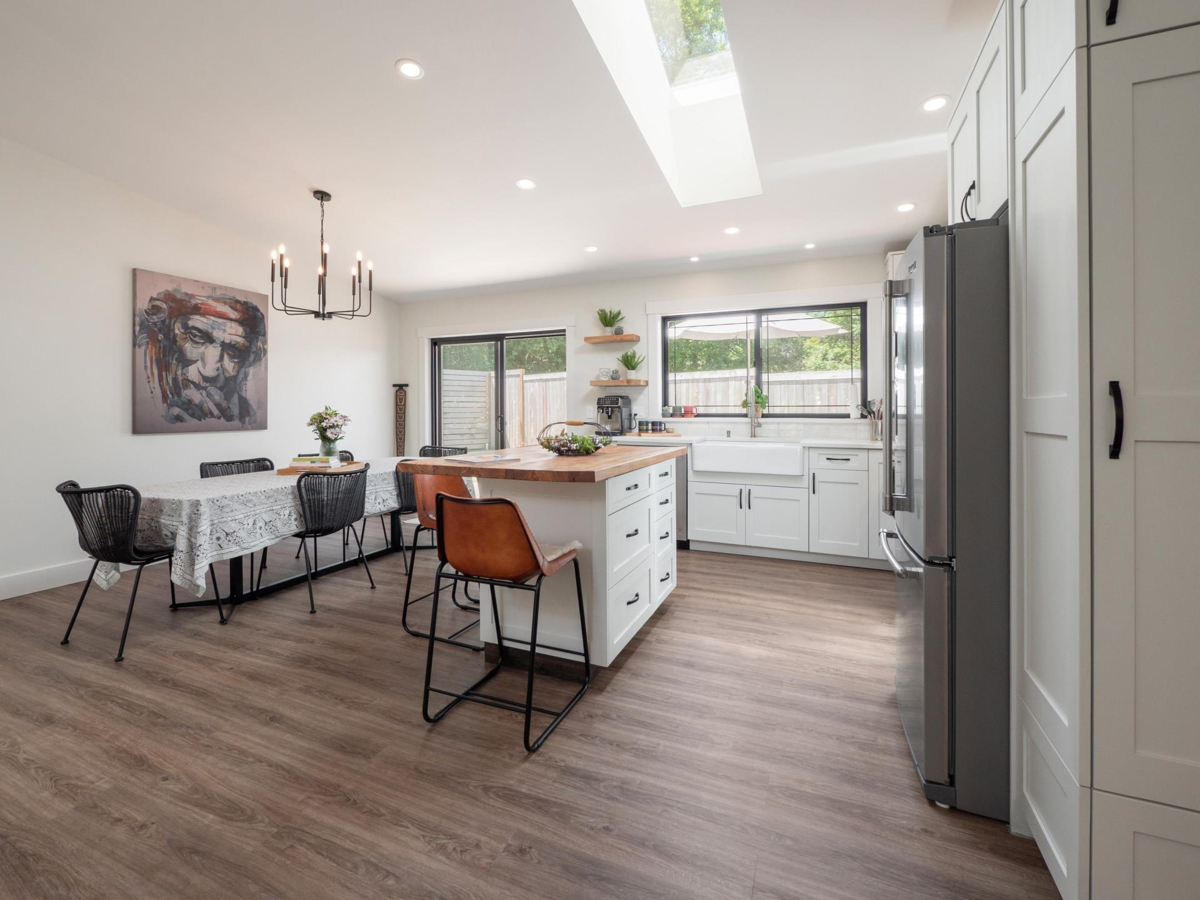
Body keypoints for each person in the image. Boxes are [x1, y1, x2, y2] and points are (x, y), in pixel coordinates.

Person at [136, 289, 266, 426]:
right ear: (166, 338)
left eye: (233, 352)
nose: (210, 371)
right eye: (196, 338)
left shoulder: (247, 417)